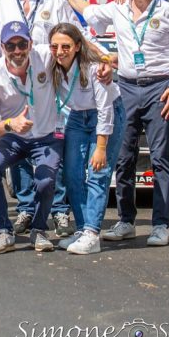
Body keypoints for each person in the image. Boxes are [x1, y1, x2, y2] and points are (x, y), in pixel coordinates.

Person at [52, 0, 169, 246]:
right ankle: (126, 220)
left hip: (159, 87)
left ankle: (161, 225)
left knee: (160, 158)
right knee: (124, 159)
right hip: (125, 86)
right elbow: (88, 12)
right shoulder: (118, 8)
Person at [0, 0, 79, 236]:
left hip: (49, 80)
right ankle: (26, 209)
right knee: (18, 138)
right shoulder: (2, 1)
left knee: (50, 144)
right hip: (15, 78)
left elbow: (69, 37)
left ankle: (60, 209)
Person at [0, 21, 63, 254]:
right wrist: (9, 124)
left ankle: (38, 229)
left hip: (46, 136)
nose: (17, 51)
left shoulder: (46, 55)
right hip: (13, 137)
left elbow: (76, 47)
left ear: (31, 44)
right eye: (11, 45)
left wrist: (105, 63)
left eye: (22, 44)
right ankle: (3, 230)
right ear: (2, 46)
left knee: (45, 180)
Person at [45, 23, 124, 255]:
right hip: (78, 117)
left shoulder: (93, 69)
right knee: (72, 173)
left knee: (98, 172)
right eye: (55, 46)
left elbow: (105, 110)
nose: (60, 51)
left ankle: (92, 233)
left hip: (106, 114)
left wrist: (100, 147)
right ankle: (81, 228)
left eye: (66, 46)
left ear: (78, 46)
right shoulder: (53, 67)